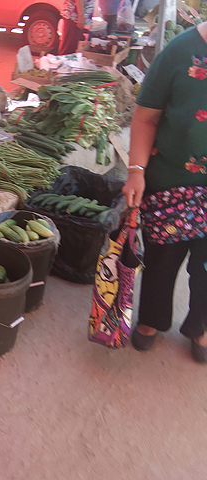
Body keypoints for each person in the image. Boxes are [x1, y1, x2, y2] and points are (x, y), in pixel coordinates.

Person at [122, 21, 207, 363]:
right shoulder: (178, 52)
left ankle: (201, 324)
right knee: (162, 258)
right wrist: (136, 172)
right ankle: (152, 320)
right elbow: (145, 118)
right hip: (172, 180)